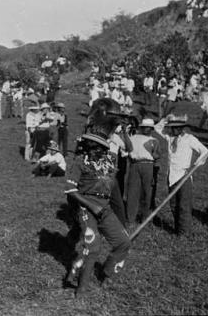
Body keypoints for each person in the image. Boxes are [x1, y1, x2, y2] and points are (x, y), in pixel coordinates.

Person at [65, 127, 130, 297]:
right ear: (86, 146)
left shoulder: (111, 160)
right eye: (92, 147)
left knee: (123, 242)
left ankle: (106, 273)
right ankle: (82, 287)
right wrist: (92, 206)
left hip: (105, 207)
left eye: (99, 147)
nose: (96, 150)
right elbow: (70, 190)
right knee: (93, 246)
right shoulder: (80, 162)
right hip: (86, 206)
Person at [154, 114, 208, 235]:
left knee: (184, 205)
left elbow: (205, 151)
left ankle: (184, 233)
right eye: (173, 127)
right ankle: (178, 228)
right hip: (171, 176)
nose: (175, 130)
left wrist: (194, 166)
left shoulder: (189, 138)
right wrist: (166, 119)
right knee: (173, 204)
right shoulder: (169, 137)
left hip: (183, 177)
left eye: (178, 128)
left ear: (182, 128)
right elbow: (157, 128)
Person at [125, 119, 161, 225]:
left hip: (149, 165)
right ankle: (130, 218)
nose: (146, 129)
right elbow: (128, 150)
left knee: (147, 192)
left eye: (148, 127)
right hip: (135, 164)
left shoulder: (154, 140)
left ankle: (145, 218)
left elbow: (157, 157)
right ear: (140, 127)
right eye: (144, 127)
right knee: (132, 191)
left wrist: (155, 172)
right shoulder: (133, 138)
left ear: (151, 129)